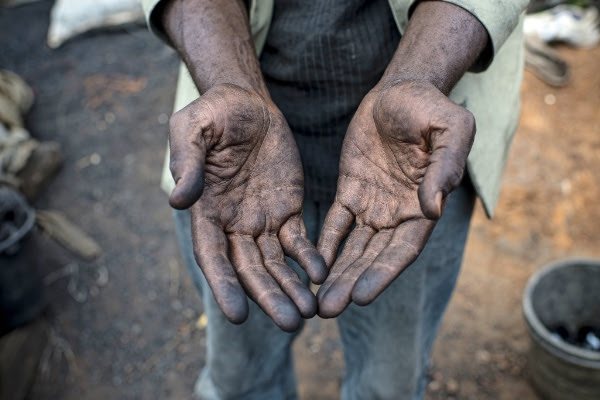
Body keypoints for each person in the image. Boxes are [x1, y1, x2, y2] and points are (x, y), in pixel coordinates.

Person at [141, 0, 527, 398]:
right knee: (240, 379)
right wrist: (229, 82)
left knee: (388, 385)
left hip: (416, 159)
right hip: (233, 166)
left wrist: (421, 76)